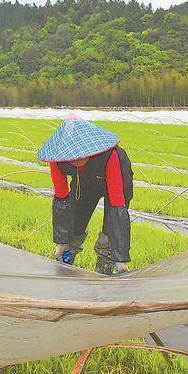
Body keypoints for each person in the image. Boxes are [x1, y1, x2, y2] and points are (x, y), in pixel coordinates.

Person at [37, 116, 134, 275]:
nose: (77, 159)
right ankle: (66, 264)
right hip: (83, 182)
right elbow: (62, 199)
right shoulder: (57, 159)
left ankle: (106, 265)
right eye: (72, 156)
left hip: (116, 178)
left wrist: (120, 257)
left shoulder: (110, 155)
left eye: (81, 154)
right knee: (75, 220)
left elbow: (117, 205)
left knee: (111, 228)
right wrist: (62, 242)